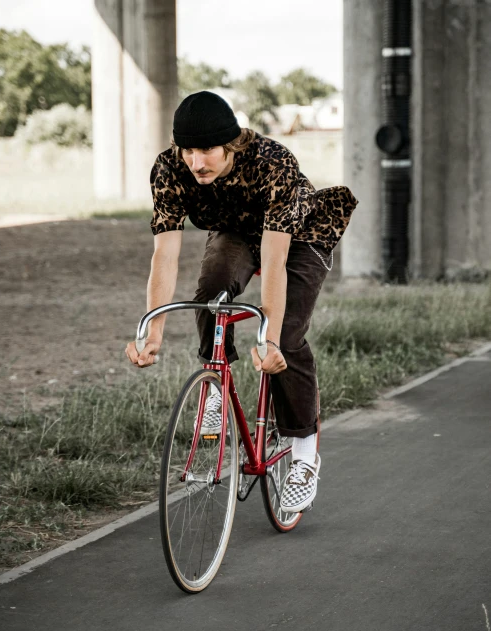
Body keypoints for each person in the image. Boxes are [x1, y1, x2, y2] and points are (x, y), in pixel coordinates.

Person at [126, 91, 358, 513]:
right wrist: (152, 330)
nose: (198, 162)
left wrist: (267, 336)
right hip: (235, 231)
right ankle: (214, 385)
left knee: (285, 336)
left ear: (230, 145)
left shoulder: (273, 162)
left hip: (299, 235)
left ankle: (304, 453)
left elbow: (275, 258)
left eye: (208, 150)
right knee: (210, 297)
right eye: (190, 151)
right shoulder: (168, 169)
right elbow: (165, 253)